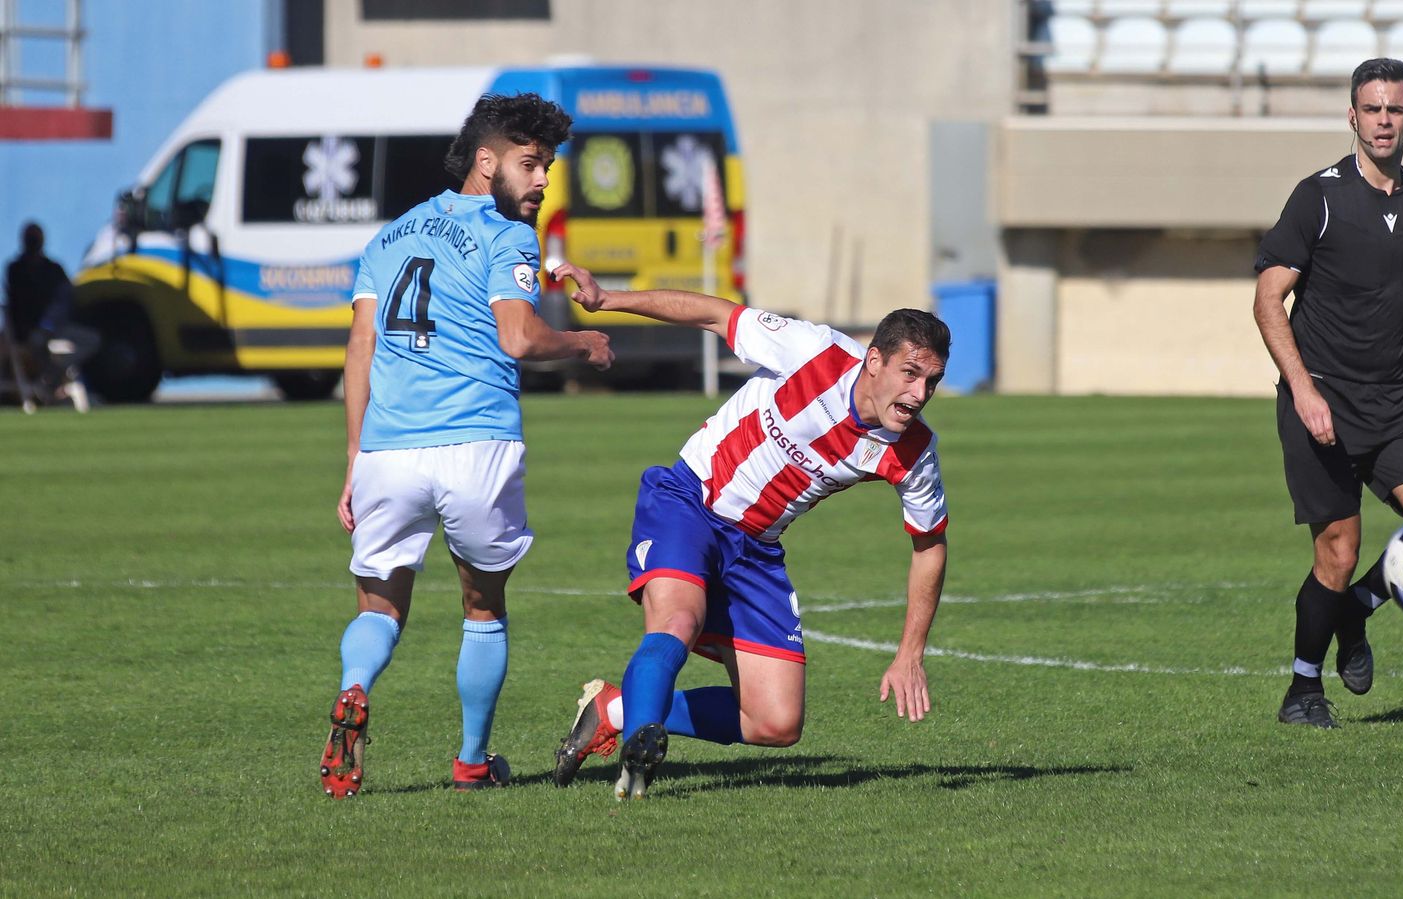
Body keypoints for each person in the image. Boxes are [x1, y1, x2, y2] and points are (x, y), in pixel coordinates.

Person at [547, 265, 950, 798]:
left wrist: (910, 654)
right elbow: (714, 314)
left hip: (756, 549)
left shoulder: (914, 451)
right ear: (874, 361)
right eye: (910, 374)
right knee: (678, 621)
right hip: (691, 501)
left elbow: (929, 546)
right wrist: (609, 299)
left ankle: (614, 710)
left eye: (931, 382)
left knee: (776, 722)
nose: (919, 394)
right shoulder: (813, 352)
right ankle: (639, 755)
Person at [319, 93, 614, 799]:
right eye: (529, 164)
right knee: (483, 608)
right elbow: (518, 337)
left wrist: (355, 456)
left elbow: (360, 347)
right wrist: (582, 341)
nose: (542, 180)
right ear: (486, 161)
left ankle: (354, 688)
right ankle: (473, 761)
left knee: (378, 608)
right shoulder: (507, 235)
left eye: (547, 167)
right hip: (477, 443)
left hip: (389, 450)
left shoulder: (389, 237)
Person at [1252, 58, 1403, 729]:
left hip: (1393, 399)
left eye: (1394, 109)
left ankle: (1355, 611)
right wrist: (1303, 390)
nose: (1383, 121)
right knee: (1339, 552)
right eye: (1372, 109)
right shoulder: (1317, 199)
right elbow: (1267, 300)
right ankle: (1302, 689)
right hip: (1321, 399)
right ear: (1352, 116)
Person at [4, 222, 100, 407]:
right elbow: (18, 305)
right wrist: (36, 328)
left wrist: (49, 325)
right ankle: (47, 385)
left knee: (92, 340)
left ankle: (51, 378)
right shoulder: (16, 270)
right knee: (37, 344)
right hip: (29, 332)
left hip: (57, 329)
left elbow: (65, 300)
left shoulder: (53, 269)